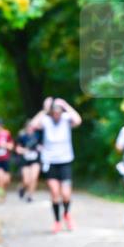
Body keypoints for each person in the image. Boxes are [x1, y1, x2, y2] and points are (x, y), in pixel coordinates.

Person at [28, 97, 82, 233]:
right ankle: (57, 221)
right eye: (54, 111)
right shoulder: (46, 121)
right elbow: (33, 125)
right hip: (50, 161)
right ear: (51, 112)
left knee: (66, 194)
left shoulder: (66, 119)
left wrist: (65, 104)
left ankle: (67, 215)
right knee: (54, 192)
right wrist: (44, 110)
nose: (57, 114)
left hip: (65, 160)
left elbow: (78, 120)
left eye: (59, 111)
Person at [15, 121, 43, 202]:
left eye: (31, 127)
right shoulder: (22, 136)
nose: (30, 128)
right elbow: (17, 149)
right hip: (25, 161)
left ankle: (30, 196)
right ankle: (22, 188)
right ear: (26, 127)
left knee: (34, 178)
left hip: (35, 160)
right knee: (26, 180)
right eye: (29, 127)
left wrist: (39, 148)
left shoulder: (38, 136)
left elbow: (42, 146)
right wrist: (25, 150)